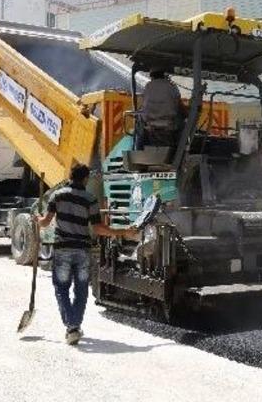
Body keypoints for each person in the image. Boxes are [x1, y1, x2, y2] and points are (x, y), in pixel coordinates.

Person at [38, 164, 138, 345]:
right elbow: (99, 229)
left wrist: (37, 220)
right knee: (81, 289)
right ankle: (74, 326)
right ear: (85, 179)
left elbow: (45, 223)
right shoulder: (90, 199)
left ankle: (72, 327)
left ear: (70, 176)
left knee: (61, 288)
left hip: (62, 249)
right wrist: (124, 232)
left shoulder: (57, 195)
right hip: (82, 251)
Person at [140, 71, 186, 149]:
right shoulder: (172, 86)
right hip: (169, 125)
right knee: (184, 124)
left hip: (150, 126)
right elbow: (179, 105)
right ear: (165, 75)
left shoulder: (148, 86)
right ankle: (181, 149)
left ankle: (139, 147)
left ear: (152, 76)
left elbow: (144, 105)